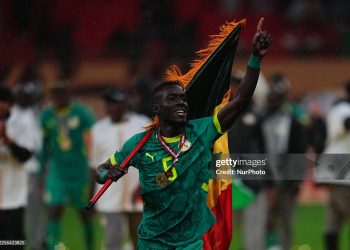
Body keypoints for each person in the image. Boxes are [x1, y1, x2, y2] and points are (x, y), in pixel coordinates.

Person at [94, 18, 272, 249]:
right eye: (173, 99)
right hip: (152, 241)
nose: (182, 103)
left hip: (190, 242)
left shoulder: (202, 131)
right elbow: (101, 169)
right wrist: (106, 174)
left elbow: (240, 101)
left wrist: (255, 58)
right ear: (157, 109)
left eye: (183, 99)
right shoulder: (139, 144)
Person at [91, 88, 151, 250]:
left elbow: (152, 159)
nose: (110, 107)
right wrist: (91, 196)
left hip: (138, 196)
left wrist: (144, 186)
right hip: (109, 197)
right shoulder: (98, 129)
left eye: (114, 103)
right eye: (108, 103)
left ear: (125, 104)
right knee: (112, 242)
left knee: (141, 242)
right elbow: (94, 166)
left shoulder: (142, 124)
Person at [39, 80, 95, 250]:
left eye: (62, 93)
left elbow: (94, 136)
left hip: (79, 172)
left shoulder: (81, 113)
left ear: (68, 95)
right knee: (55, 209)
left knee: (84, 212)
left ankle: (91, 246)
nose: (58, 97)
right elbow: (44, 146)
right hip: (58, 172)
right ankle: (52, 246)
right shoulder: (47, 115)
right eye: (55, 94)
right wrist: (42, 171)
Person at [262, 73, 309, 250]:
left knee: (287, 220)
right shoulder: (262, 120)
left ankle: (285, 247)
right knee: (266, 219)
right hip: (267, 180)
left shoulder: (294, 122)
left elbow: (300, 151)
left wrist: (296, 180)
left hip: (287, 180)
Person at [0, 85, 40, 249]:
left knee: (12, 243)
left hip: (13, 198)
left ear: (10, 105)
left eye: (4, 102)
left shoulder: (22, 122)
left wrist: (7, 140)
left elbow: (26, 155)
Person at [320, 81, 350, 250]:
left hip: (333, 167)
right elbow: (347, 122)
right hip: (342, 170)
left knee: (333, 220)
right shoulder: (343, 109)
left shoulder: (336, 108)